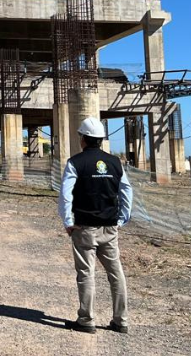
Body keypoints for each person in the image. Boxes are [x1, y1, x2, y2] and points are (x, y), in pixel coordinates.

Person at [57, 117, 133, 334]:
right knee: (116, 273)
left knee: (86, 273)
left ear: (83, 139)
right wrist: (122, 218)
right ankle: (121, 320)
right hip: (110, 228)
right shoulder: (115, 163)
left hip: (84, 228)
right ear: (100, 139)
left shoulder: (76, 163)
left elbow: (65, 194)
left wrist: (68, 221)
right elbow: (127, 190)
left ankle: (87, 320)